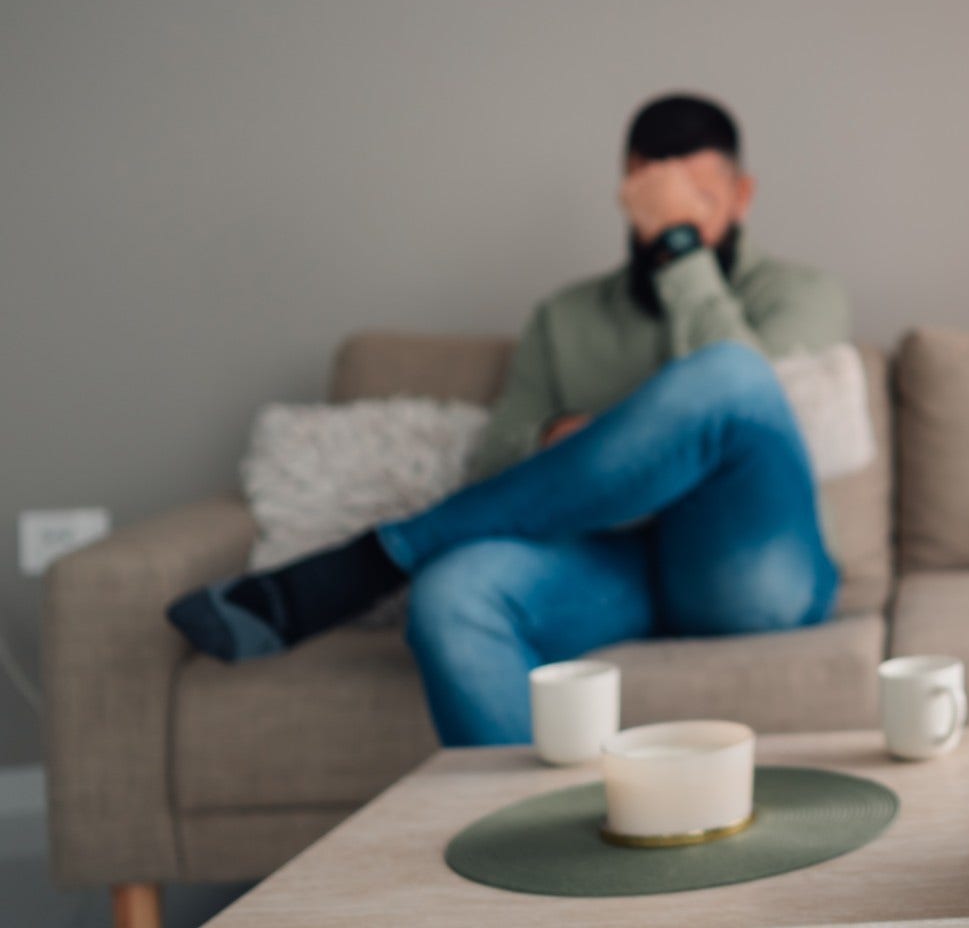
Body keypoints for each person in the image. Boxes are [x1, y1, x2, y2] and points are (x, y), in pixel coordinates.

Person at [166, 93, 852, 747]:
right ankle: (540, 849)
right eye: (652, 200)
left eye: (698, 199)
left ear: (742, 196)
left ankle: (386, 553)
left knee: (732, 373)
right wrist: (556, 442)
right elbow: (497, 457)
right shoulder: (564, 318)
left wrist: (679, 248)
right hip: (613, 564)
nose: (670, 216)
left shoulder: (800, 294)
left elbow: (753, 410)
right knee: (449, 595)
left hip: (743, 564)